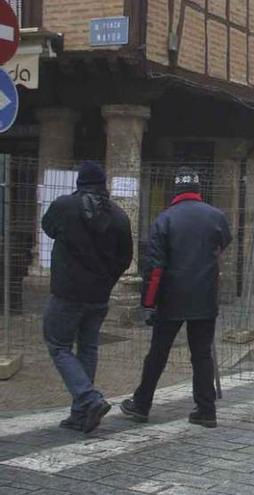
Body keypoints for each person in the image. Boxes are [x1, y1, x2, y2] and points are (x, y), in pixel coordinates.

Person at [121, 167, 232, 428]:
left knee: (158, 353)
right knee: (202, 354)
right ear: (198, 189)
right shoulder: (216, 216)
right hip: (205, 297)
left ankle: (142, 404)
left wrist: (148, 303)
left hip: (171, 299)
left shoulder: (164, 220)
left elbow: (155, 268)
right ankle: (206, 410)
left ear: (176, 190)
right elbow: (224, 242)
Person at [41, 161, 133, 433]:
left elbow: (48, 227)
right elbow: (125, 258)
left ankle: (89, 398)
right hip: (99, 296)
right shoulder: (119, 215)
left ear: (79, 183)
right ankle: (81, 413)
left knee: (58, 345)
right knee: (88, 348)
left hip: (67, 293)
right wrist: (106, 281)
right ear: (103, 184)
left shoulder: (64, 206)